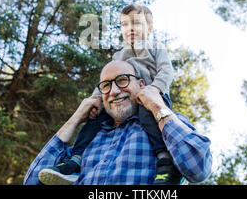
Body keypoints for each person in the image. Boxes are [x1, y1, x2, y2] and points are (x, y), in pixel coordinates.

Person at [38, 4, 181, 185]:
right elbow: (107, 81)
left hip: (151, 97)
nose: (130, 28)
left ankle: (165, 161)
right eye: (124, 25)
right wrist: (95, 100)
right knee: (94, 121)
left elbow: (166, 71)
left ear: (149, 28)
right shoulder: (119, 56)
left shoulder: (155, 47)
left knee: (149, 118)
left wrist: (156, 89)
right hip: (124, 99)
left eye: (136, 23)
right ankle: (75, 161)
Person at [23, 60, 212, 185]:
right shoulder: (88, 140)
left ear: (140, 85)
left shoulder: (164, 124)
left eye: (122, 80)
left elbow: (198, 168)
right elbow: (33, 181)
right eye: (106, 85)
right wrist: (77, 117)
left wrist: (156, 105)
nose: (113, 91)